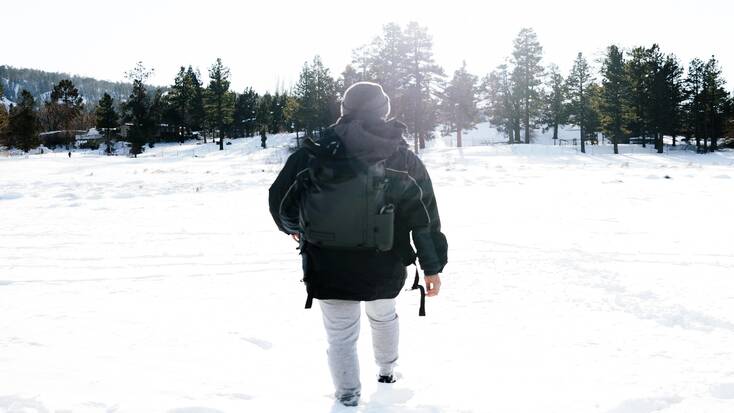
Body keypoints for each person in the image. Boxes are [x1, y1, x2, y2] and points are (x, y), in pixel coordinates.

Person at [268, 81, 448, 407]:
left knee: (340, 336)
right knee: (384, 316)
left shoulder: (313, 153)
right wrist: (431, 267)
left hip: (327, 263)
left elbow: (279, 203)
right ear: (384, 111)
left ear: (344, 111)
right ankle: (387, 372)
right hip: (385, 261)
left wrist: (295, 229)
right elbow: (424, 217)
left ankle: (347, 398)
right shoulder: (402, 158)